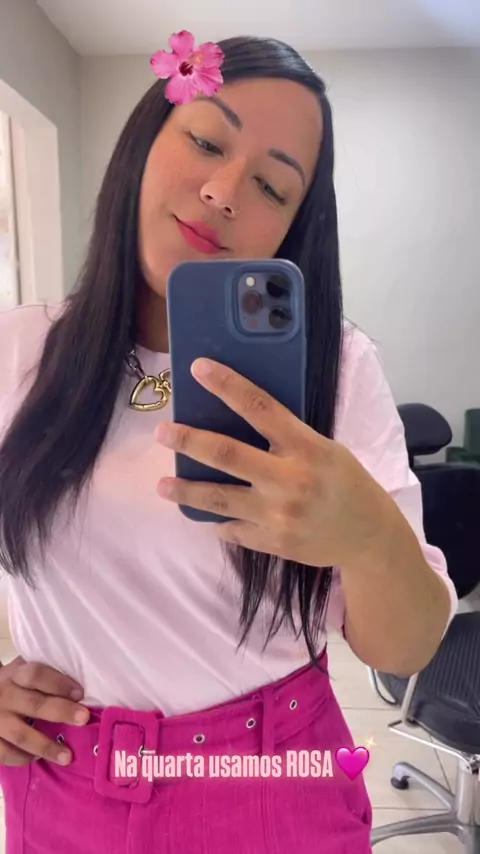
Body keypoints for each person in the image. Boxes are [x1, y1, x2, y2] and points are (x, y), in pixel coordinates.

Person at [0, 34, 457, 854]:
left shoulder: (337, 372)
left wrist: (368, 535)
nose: (222, 192)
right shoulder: (18, 352)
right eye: (207, 142)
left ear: (293, 227)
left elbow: (409, 643)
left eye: (273, 187)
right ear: (144, 144)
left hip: (273, 781)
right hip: (63, 782)